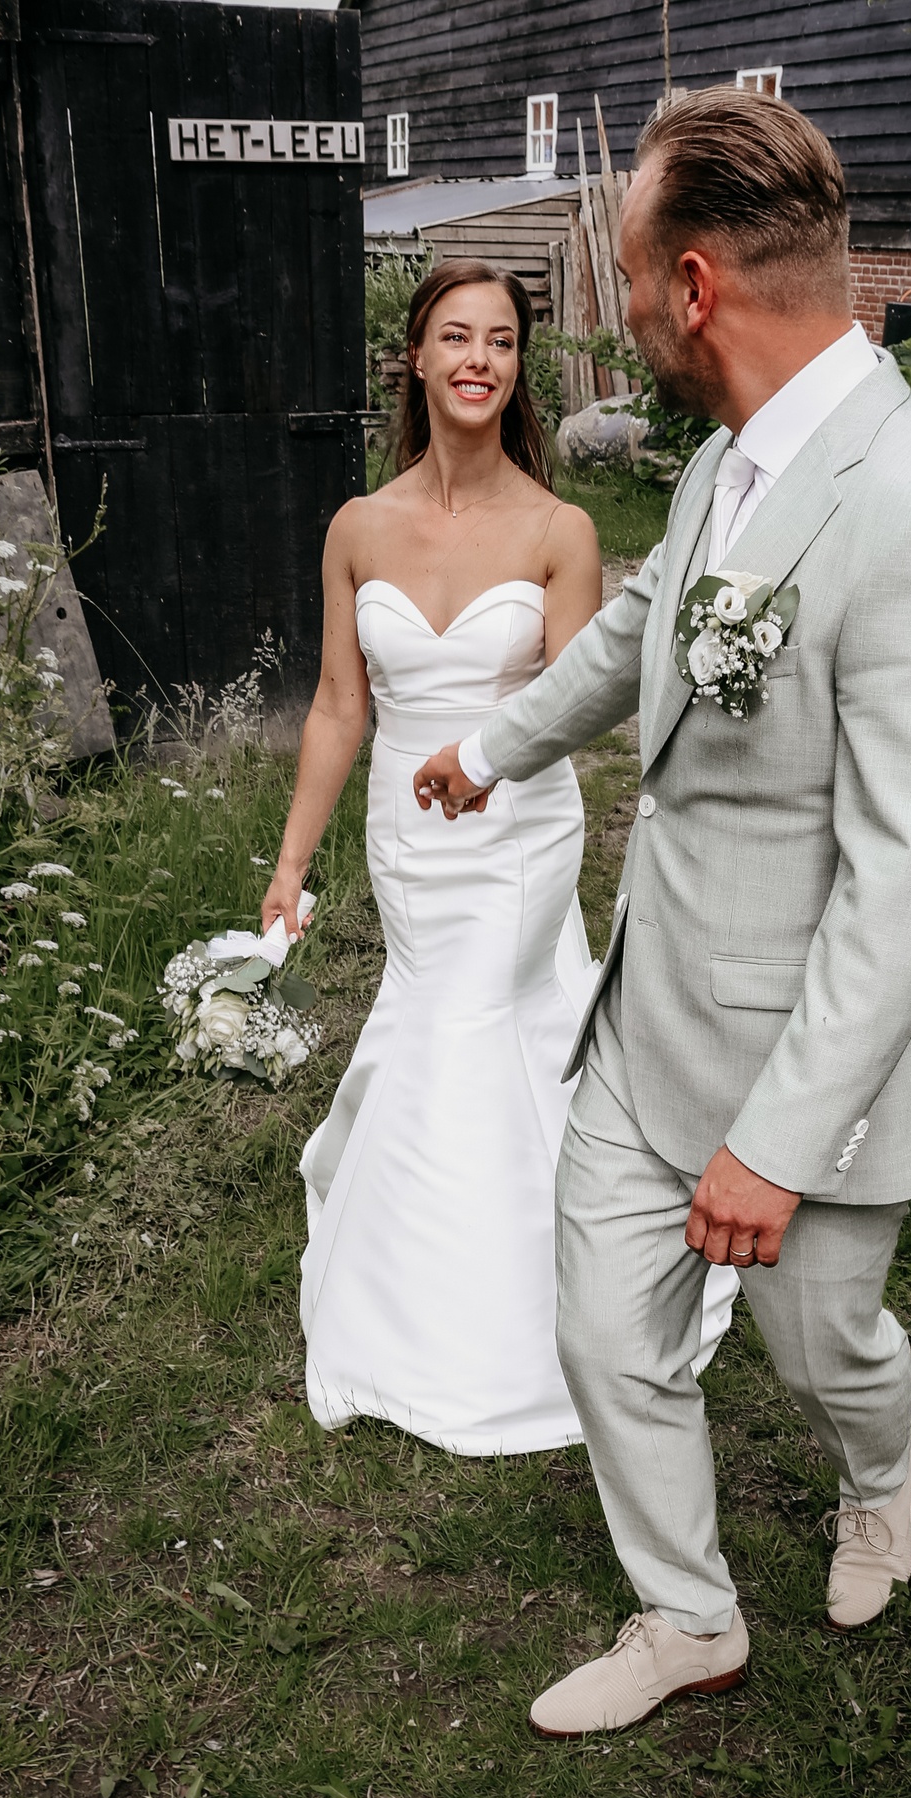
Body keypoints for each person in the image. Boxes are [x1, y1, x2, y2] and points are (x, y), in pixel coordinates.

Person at [415, 90, 911, 1734]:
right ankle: (688, 1614)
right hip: (651, 1007)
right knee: (602, 1331)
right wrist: (490, 744)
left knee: (825, 1357)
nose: (617, 311)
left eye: (625, 277)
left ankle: (879, 1473)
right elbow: (638, 638)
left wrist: (776, 1141)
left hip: (804, 1072)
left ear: (693, 287)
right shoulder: (733, 459)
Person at [262, 258, 737, 1456]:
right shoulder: (356, 526)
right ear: (413, 359)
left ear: (517, 368)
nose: (480, 359)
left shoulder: (559, 529)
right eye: (456, 337)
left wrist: (494, 758)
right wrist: (290, 866)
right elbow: (334, 705)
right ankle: (411, 1297)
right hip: (403, 842)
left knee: (478, 1023)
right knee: (434, 1022)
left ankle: (524, 1324)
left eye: (503, 342)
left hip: (516, 836)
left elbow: (574, 706)